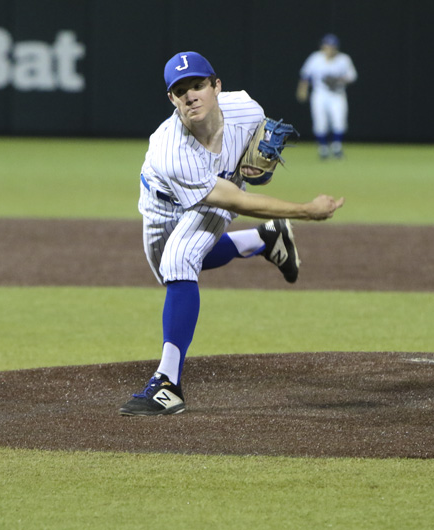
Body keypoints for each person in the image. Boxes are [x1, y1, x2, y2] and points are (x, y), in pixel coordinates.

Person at [118, 51, 345, 416]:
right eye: (181, 91)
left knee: (180, 260)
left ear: (216, 86)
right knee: (172, 268)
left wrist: (261, 171)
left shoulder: (247, 110)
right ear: (172, 99)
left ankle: (167, 383)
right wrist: (306, 210)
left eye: (198, 85)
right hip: (163, 205)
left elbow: (256, 167)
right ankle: (264, 239)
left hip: (218, 192)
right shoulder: (170, 149)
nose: (191, 96)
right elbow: (239, 200)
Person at [296, 34, 357, 159]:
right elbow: (305, 76)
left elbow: (352, 76)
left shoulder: (344, 59)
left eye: (332, 46)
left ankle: (337, 147)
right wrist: (302, 90)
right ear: (323, 46)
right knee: (320, 122)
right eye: (327, 46)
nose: (329, 48)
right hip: (320, 94)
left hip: (337, 94)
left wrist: (339, 79)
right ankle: (323, 148)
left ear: (336, 47)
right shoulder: (315, 58)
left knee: (339, 121)